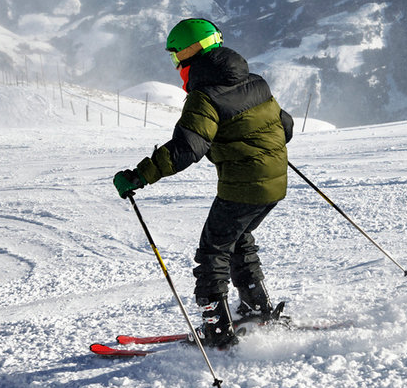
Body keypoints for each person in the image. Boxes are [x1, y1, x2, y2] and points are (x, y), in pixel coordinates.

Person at [113, 18, 294, 348]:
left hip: (244, 186)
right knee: (237, 238)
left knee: (213, 252)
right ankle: (257, 306)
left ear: (190, 52)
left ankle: (218, 331)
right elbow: (286, 126)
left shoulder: (205, 97)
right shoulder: (256, 82)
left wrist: (138, 176)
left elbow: (186, 149)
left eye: (175, 56)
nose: (176, 64)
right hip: (274, 183)